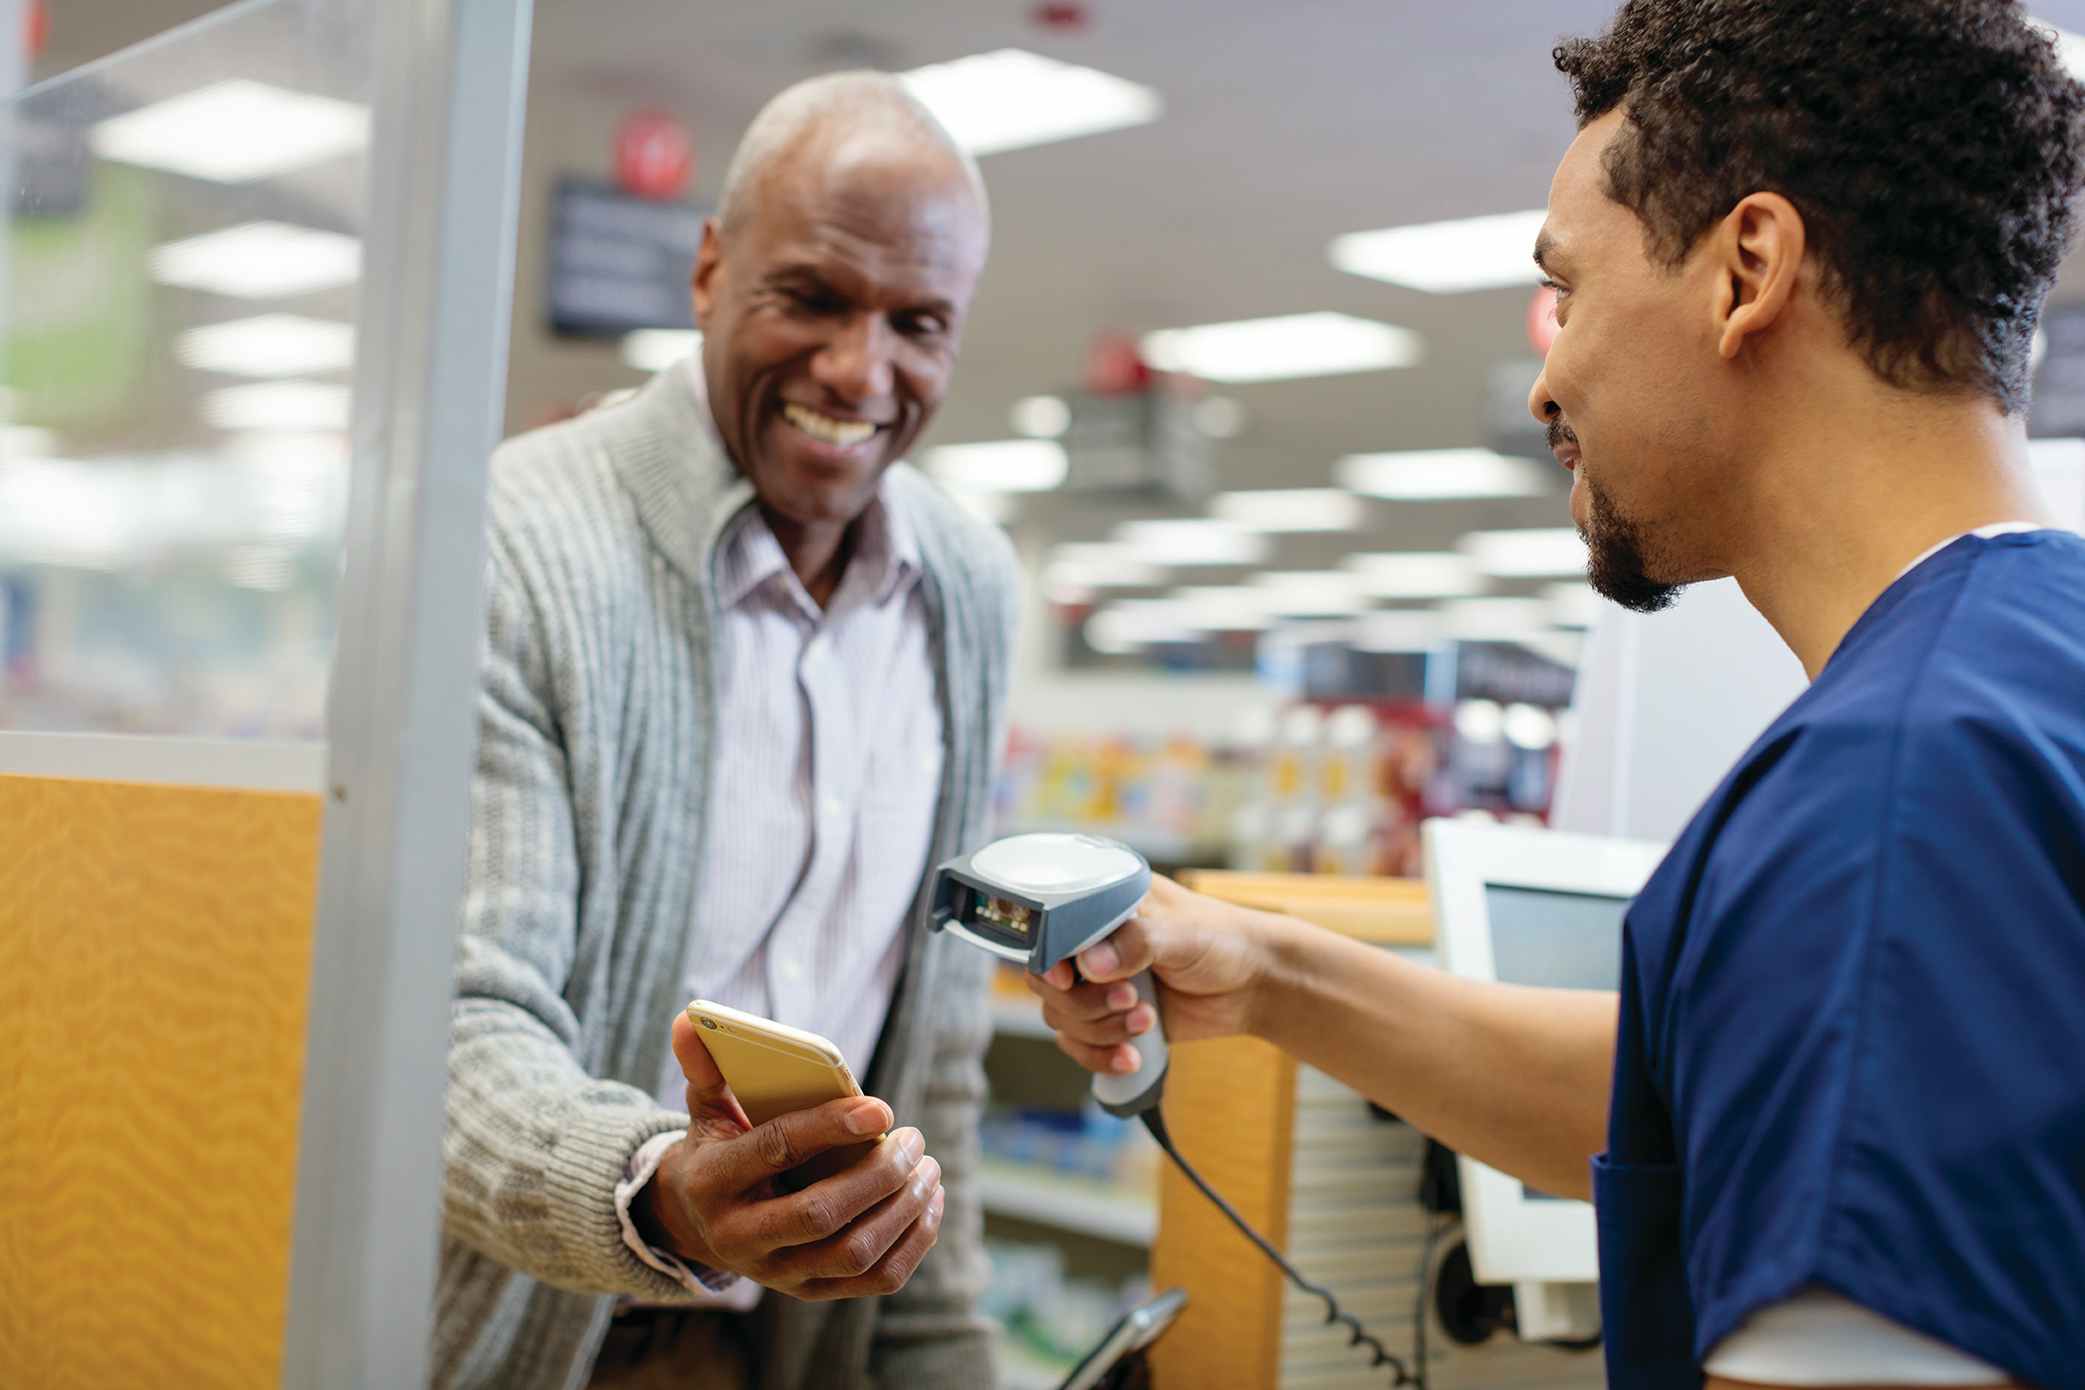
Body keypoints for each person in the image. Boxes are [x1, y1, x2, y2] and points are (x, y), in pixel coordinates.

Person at [1034, 3, 2085, 1386]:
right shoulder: (2029, 665)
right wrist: (1273, 970)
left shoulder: (1887, 796)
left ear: (1745, 269)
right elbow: (1729, 1106)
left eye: (1569, 291)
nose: (1546, 379)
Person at [435, 72, 1017, 1390]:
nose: (858, 370)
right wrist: (654, 1193)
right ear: (708, 269)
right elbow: (451, 1026)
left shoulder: (968, 591)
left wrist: (946, 1355)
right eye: (811, 297)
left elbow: (939, 1067)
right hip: (515, 1337)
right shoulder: (514, 541)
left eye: (915, 322)